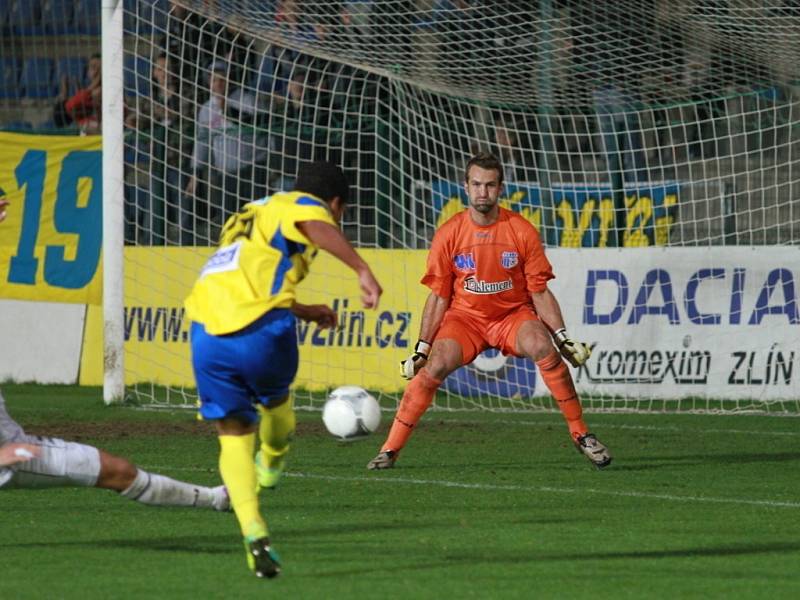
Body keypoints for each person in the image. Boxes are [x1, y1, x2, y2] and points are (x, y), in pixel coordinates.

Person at [184, 161, 382, 578]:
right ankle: (272, 464)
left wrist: (305, 309)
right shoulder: (303, 207)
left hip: (205, 332)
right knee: (275, 401)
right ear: (335, 203)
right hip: (261, 333)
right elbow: (318, 229)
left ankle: (253, 532)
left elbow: (247, 280)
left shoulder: (249, 212)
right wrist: (361, 269)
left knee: (234, 434)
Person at [367, 152, 611, 471]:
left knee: (542, 346)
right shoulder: (449, 234)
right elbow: (439, 296)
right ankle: (390, 449)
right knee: (435, 365)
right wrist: (421, 349)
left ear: (501, 188)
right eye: (477, 184)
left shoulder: (521, 231)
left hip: (511, 316)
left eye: (490, 185)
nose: (483, 192)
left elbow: (538, 291)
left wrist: (563, 339)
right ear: (466, 187)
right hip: (465, 320)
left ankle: (582, 435)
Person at [0, 201, 229, 509]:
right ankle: (216, 500)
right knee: (118, 471)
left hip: (14, 447)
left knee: (117, 471)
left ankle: (216, 499)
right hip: (11, 455)